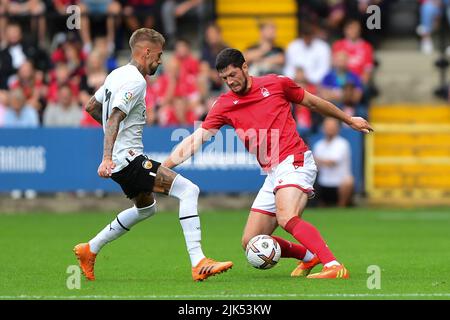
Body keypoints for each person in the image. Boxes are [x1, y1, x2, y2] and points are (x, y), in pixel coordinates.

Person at [163, 48, 373, 279]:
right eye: (224, 79)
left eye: (233, 75)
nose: (230, 82)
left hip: (295, 160)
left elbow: (313, 103)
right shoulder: (223, 104)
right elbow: (195, 140)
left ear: (245, 67)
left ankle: (333, 265)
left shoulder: (277, 84)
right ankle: (309, 256)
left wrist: (349, 120)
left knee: (286, 217)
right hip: (272, 172)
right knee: (250, 241)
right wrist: (163, 168)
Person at [73, 28, 233, 282]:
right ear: (146, 52)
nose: (160, 61)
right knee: (189, 190)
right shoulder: (135, 81)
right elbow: (114, 116)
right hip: (127, 160)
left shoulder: (116, 75)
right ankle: (198, 261)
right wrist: (108, 156)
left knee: (146, 209)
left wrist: (113, 149)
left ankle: (89, 249)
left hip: (122, 161)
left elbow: (92, 107)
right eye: (158, 56)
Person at [313, 117, 354, 207]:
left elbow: (332, 162)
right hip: (323, 183)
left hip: (339, 184)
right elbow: (314, 164)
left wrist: (318, 160)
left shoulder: (343, 144)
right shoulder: (318, 145)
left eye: (332, 126)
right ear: (323, 128)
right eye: (328, 126)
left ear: (338, 128)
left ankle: (341, 206)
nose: (330, 128)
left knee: (349, 181)